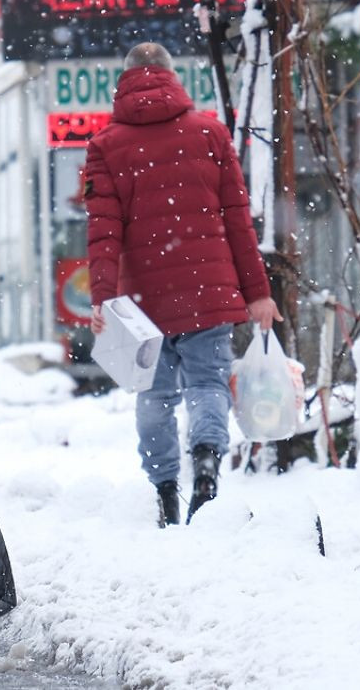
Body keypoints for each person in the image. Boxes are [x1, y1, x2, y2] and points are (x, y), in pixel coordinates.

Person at [83, 42, 281, 527]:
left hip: (143, 301)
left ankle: (166, 488)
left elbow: (103, 232)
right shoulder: (211, 133)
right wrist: (258, 293)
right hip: (209, 290)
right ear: (173, 78)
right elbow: (239, 221)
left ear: (123, 82)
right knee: (207, 384)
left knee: (153, 395)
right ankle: (208, 463)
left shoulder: (105, 146)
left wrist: (104, 300)